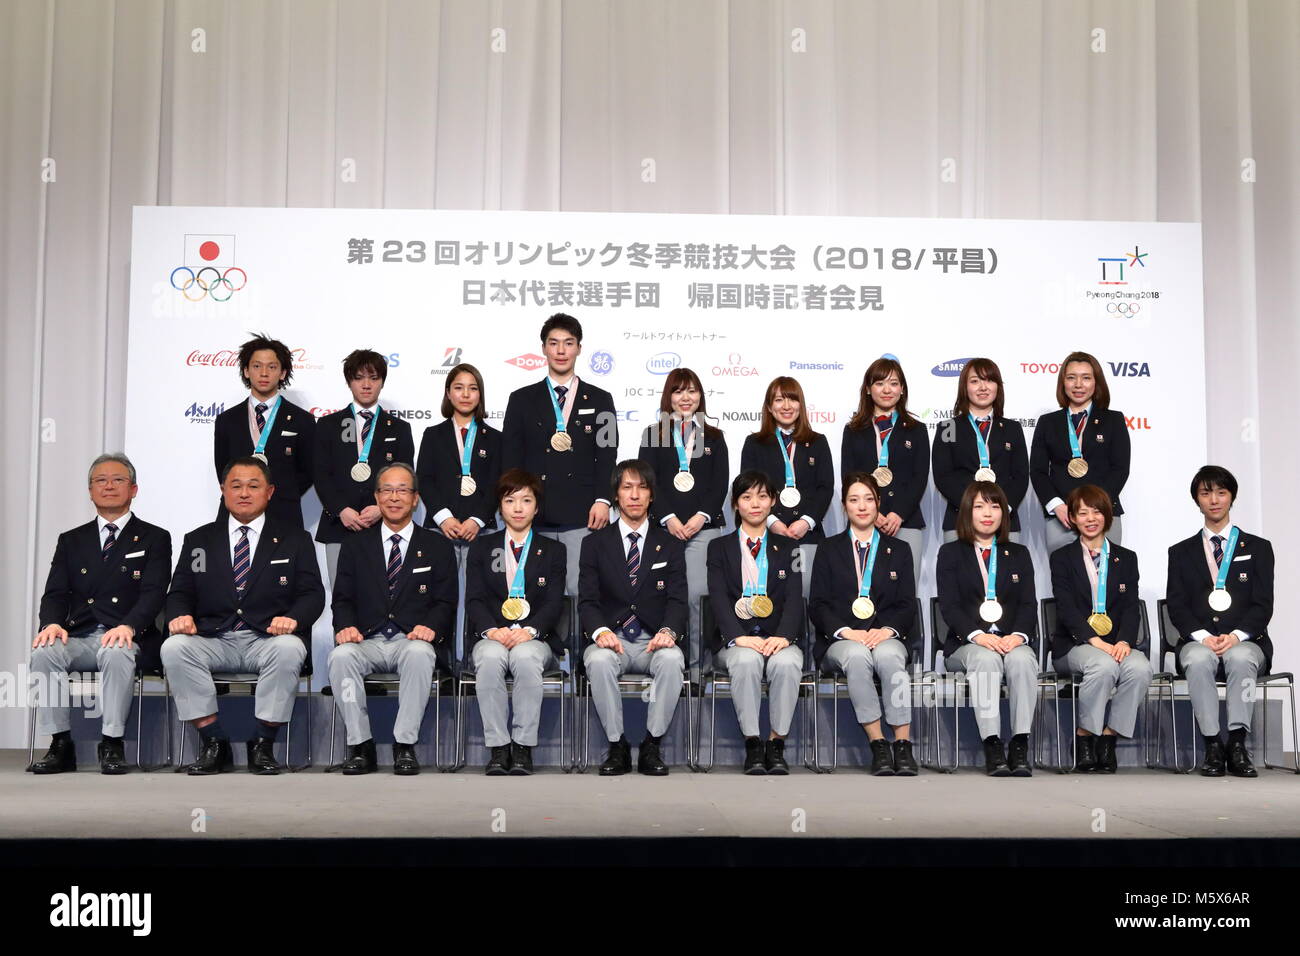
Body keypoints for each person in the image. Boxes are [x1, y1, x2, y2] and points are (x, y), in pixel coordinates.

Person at [162, 457, 325, 775]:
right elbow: (180, 591)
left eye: (254, 485)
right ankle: (213, 742)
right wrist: (180, 615)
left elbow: (312, 594)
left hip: (266, 639)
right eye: (236, 486)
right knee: (174, 647)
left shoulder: (294, 539)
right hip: (214, 638)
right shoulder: (199, 541)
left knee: (290, 648)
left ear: (270, 492)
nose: (244, 493)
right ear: (223, 491)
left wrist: (293, 619)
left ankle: (262, 744)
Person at [28, 454, 172, 774]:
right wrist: (51, 623)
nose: (109, 486)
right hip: (79, 634)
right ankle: (60, 743)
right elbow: (55, 594)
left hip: (129, 636)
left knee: (117, 650)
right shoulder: (71, 540)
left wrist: (129, 626)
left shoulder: (155, 537)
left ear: (133, 489)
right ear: (90, 491)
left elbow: (154, 594)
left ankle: (112, 743)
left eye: (118, 480)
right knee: (44, 651)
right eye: (100, 480)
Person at [327, 463, 457, 775]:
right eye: (387, 490)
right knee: (340, 657)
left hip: (411, 639)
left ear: (415, 499)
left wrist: (431, 628)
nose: (394, 497)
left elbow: (446, 600)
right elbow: (342, 598)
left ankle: (404, 745)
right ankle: (361, 745)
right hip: (367, 639)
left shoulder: (437, 545)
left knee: (419, 654)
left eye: (403, 490)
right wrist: (345, 627)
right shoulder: (355, 544)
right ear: (377, 497)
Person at [579, 460, 688, 776]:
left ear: (652, 495)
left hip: (654, 639)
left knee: (672, 661)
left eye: (642, 488)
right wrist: (599, 631)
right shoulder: (594, 543)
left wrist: (669, 630)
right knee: (597, 662)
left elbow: (678, 599)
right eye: (627, 487)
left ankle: (652, 744)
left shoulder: (669, 544)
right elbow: (588, 600)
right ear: (615, 495)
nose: (635, 495)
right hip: (612, 640)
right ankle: (617, 746)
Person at [1165, 466, 1273, 778]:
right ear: (1197, 501)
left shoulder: (1258, 548)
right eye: (1206, 493)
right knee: (1198, 661)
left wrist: (1237, 636)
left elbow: (1263, 604)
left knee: (1240, 659)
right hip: (1199, 641)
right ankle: (1212, 743)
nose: (1214, 500)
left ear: (1232, 497)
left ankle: (1237, 743)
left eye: (1221, 492)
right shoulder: (1180, 552)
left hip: (1247, 640)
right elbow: (1178, 605)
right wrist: (1202, 637)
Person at [809, 472, 918, 775]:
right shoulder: (828, 549)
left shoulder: (899, 550)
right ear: (844, 506)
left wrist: (885, 631)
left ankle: (903, 745)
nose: (862, 506)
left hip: (885, 635)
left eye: (869, 499)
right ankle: (878, 743)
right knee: (857, 657)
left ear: (878, 504)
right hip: (842, 640)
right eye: (854, 500)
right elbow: (817, 605)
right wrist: (848, 633)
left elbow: (908, 604)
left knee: (891, 657)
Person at [502, 313, 617, 598]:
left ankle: (580, 645)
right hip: (534, 513)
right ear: (543, 348)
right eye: (554, 343)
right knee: (533, 590)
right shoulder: (521, 399)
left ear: (579, 347)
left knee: (581, 589)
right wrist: (515, 505)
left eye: (568, 343)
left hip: (583, 514)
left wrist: (603, 500)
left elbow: (607, 455)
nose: (561, 351)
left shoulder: (602, 399)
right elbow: (510, 459)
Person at [464, 469, 568, 774]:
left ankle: (522, 747)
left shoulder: (554, 550)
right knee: (491, 657)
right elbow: (475, 599)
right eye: (510, 501)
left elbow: (553, 601)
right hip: (491, 635)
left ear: (537, 507)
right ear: (500, 506)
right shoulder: (482, 547)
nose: (518, 508)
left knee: (524, 657)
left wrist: (530, 630)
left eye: (526, 500)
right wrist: (492, 630)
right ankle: (498, 748)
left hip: (535, 638)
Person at [705, 470, 805, 775]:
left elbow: (794, 598)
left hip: (778, 638)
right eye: (747, 497)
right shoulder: (718, 547)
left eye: (762, 496)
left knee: (787, 664)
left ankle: (776, 744)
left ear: (773, 501)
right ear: (735, 504)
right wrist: (737, 637)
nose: (755, 503)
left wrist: (785, 637)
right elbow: (718, 599)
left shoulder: (789, 547)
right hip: (737, 640)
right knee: (746, 661)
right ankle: (752, 743)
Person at [935, 481, 1038, 776]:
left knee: (1022, 659)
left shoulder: (1019, 553)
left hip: (1011, 641)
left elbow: (1028, 605)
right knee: (985, 658)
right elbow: (949, 607)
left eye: (994, 506)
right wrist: (978, 636)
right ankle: (992, 744)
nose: (988, 513)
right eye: (979, 506)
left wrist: (1016, 636)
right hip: (966, 645)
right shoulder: (951, 553)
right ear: (967, 512)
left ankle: (1020, 744)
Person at [1048, 484, 1150, 773]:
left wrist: (1125, 641)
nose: (1090, 518)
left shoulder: (1126, 558)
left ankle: (1108, 738)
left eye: (1096, 511)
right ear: (1072, 519)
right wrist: (1096, 641)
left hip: (1117, 644)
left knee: (1140, 668)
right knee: (1103, 666)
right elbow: (1066, 608)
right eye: (1082, 513)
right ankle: (1084, 737)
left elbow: (1131, 606)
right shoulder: (1062, 558)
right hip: (1075, 646)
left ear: (1107, 515)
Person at [636, 367, 728, 668]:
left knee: (698, 598)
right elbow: (648, 481)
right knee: (665, 596)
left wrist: (701, 517)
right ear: (668, 396)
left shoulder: (714, 436)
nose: (685, 397)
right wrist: (669, 518)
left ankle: (698, 667)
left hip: (704, 530)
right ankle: (666, 660)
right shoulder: (653, 435)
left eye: (691, 390)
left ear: (700, 396)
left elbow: (720, 483)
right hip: (665, 530)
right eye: (678, 391)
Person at [416, 362, 501, 659]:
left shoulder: (495, 438)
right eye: (459, 387)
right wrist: (444, 517)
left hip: (483, 532)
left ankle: (474, 662)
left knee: (479, 599)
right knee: (439, 598)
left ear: (480, 395)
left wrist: (477, 519)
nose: (466, 394)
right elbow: (424, 479)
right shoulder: (433, 434)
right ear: (448, 393)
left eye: (473, 388)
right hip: (440, 532)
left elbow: (497, 484)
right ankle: (442, 663)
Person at [313, 349, 414, 585]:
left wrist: (381, 507)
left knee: (381, 597)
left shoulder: (399, 428)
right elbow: (320, 473)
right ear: (349, 382)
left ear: (382, 382)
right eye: (359, 378)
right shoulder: (328, 425)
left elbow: (405, 476)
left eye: (373, 378)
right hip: (339, 525)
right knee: (341, 597)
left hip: (385, 525)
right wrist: (341, 510)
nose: (366, 385)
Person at [739, 376, 833, 600]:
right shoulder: (754, 443)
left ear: (801, 404)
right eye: (780, 400)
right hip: (767, 534)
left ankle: (811, 638)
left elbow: (825, 488)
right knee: (774, 596)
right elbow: (748, 489)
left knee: (811, 594)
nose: (787, 406)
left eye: (792, 399)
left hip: (808, 535)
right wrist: (772, 522)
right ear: (770, 407)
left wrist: (806, 522)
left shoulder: (818, 442)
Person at [1030, 351, 1131, 553]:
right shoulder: (1047, 423)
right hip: (1062, 517)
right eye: (1071, 377)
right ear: (1063, 382)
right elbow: (1038, 471)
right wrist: (1057, 506)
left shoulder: (1114, 420)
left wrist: (1094, 509)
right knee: (1064, 581)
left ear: (1096, 382)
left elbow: (1120, 469)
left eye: (1086, 378)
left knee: (1106, 580)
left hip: (1104, 514)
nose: (1078, 384)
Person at [840, 357, 929, 582]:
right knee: (863, 586)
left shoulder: (916, 429)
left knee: (905, 590)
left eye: (894, 383)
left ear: (902, 389)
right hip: (864, 520)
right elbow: (848, 476)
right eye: (880, 383)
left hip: (905, 522)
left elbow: (919, 477)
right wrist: (873, 513)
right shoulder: (853, 430)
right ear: (868, 389)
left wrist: (898, 513)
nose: (887, 390)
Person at [212, 333, 315, 527]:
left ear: (283, 373)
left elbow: (308, 472)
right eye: (257, 366)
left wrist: (276, 493)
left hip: (284, 512)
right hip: (236, 514)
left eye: (272, 367)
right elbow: (223, 470)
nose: (264, 373)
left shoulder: (303, 420)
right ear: (246, 371)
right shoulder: (227, 420)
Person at [932, 358, 1028, 543]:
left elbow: (1021, 476)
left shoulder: (1012, 428)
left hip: (1005, 522)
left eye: (989, 380)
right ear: (964, 387)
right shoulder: (948, 427)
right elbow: (943, 475)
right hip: (960, 519)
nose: (983, 387)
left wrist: (1000, 509)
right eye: (975, 381)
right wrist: (973, 507)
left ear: (998, 386)